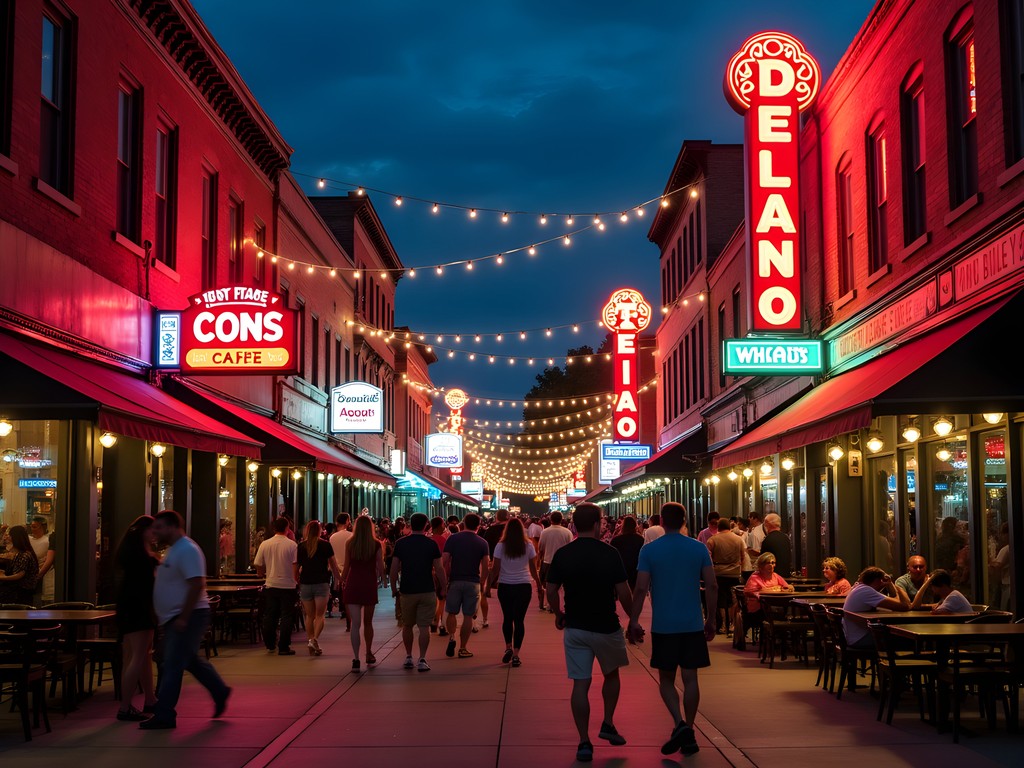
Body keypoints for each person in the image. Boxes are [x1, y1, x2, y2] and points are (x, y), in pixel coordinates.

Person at [546, 503, 633, 763]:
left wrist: (558, 613)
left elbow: (550, 590)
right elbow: (625, 591)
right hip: (606, 625)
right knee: (612, 675)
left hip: (576, 627)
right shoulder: (610, 552)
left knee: (580, 684)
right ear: (597, 524)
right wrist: (635, 619)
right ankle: (607, 722)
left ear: (574, 525)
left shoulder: (563, 554)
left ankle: (584, 741)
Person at [629, 502, 716, 757]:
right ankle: (688, 729)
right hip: (691, 623)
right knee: (691, 679)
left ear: (662, 522)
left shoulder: (650, 551)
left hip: (664, 625)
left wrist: (633, 619)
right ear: (684, 520)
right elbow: (711, 586)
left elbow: (641, 588)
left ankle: (678, 722)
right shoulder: (698, 548)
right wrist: (710, 619)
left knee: (666, 679)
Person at [141, 510, 230, 730]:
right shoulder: (174, 551)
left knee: (172, 664)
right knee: (188, 660)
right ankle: (219, 690)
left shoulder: (187, 550)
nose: (155, 532)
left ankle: (165, 714)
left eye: (159, 527)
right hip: (177, 616)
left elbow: (196, 583)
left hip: (187, 615)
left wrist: (184, 616)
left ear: (172, 527)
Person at [113, 516, 160, 721]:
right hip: (141, 607)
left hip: (127, 607)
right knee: (139, 657)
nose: (156, 534)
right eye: (153, 530)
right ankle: (125, 707)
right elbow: (152, 584)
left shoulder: (129, 554)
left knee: (136, 656)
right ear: (144, 532)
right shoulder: (144, 558)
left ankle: (150, 699)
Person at [391, 512, 447, 671]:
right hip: (427, 589)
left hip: (407, 590)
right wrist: (444, 586)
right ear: (426, 525)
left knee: (407, 625)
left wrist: (394, 588)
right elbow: (439, 568)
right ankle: (422, 658)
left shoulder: (401, 544)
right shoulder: (431, 544)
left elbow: (394, 569)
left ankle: (408, 656)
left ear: (410, 524)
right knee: (424, 627)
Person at [487, 517, 540, 667]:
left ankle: (507, 647)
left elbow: (495, 569)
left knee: (507, 618)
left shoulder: (500, 546)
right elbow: (533, 568)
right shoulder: (528, 545)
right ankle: (516, 654)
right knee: (519, 620)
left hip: (505, 586)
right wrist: (539, 584)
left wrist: (487, 586)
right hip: (523, 585)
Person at [441, 512, 489, 658]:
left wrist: (445, 578)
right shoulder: (482, 543)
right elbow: (486, 566)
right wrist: (483, 582)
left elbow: (444, 561)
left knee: (451, 612)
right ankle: (463, 648)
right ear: (479, 525)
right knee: (468, 616)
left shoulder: (453, 539)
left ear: (463, 523)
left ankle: (452, 637)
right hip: (473, 582)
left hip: (455, 580)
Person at [342, 515, 385, 672]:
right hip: (368, 584)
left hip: (353, 584)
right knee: (368, 623)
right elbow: (380, 564)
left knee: (355, 625)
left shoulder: (350, 544)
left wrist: (341, 580)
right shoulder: (376, 544)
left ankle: (355, 658)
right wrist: (385, 580)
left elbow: (347, 566)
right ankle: (368, 652)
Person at [294, 520, 340, 656]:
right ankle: (313, 640)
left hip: (306, 584)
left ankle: (311, 640)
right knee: (320, 616)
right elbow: (333, 565)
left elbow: (296, 568)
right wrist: (340, 578)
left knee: (309, 616)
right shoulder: (326, 545)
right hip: (321, 583)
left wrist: (297, 580)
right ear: (320, 531)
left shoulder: (301, 546)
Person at [254, 517, 298, 655]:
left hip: (271, 583)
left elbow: (258, 563)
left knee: (270, 615)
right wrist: (296, 580)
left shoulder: (265, 544)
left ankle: (270, 644)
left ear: (274, 529)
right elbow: (295, 566)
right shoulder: (292, 545)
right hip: (288, 585)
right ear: (287, 528)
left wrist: (261, 574)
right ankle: (284, 646)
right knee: (286, 616)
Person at [841, 567, 910, 649]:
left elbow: (895, 603)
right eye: (881, 581)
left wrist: (887, 585)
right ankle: (895, 661)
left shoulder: (859, 588)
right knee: (905, 639)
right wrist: (895, 585)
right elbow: (904, 606)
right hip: (860, 639)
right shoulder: (866, 591)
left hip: (852, 636)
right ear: (878, 580)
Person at [707, 518, 744, 634]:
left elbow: (708, 558)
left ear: (718, 527)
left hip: (719, 573)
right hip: (734, 573)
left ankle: (723, 624)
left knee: (721, 599)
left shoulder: (713, 540)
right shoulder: (739, 540)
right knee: (733, 599)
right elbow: (743, 556)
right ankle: (733, 623)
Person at [538, 510, 573, 611]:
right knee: (565, 586)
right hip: (564, 563)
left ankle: (551, 606)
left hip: (548, 561)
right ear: (562, 520)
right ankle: (567, 606)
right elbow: (570, 548)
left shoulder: (545, 532)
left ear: (550, 519)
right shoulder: (567, 532)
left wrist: (539, 562)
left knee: (550, 586)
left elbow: (540, 549)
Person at [742, 553, 793, 619]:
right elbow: (748, 592)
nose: (771, 565)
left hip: (775, 606)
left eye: (773, 563)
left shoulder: (775, 576)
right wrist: (776, 589)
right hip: (758, 608)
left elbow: (789, 587)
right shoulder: (755, 577)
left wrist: (780, 588)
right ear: (761, 565)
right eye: (768, 563)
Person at [0, 525, 40, 605]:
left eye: (10, 535)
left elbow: (19, 575)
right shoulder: (20, 553)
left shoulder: (25, 555)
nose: (8, 538)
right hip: (19, 592)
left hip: (22, 593)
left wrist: (3, 577)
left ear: (16, 537)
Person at [910, 569, 974, 614]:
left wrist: (927, 582)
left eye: (932, 586)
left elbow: (935, 614)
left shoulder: (953, 597)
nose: (931, 589)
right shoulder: (950, 596)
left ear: (941, 585)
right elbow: (915, 606)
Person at [329, 513, 353, 627]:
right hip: (350, 569)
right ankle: (349, 617)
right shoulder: (352, 536)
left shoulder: (332, 537)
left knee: (340, 592)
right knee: (348, 594)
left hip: (337, 569)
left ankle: (343, 611)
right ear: (347, 521)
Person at [610, 516, 644, 591]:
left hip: (621, 569)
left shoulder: (616, 540)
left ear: (623, 526)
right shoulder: (640, 539)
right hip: (636, 569)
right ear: (635, 526)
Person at [429, 516, 450, 634]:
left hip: (429, 573)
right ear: (438, 526)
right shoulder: (442, 541)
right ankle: (441, 623)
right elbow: (445, 559)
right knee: (442, 598)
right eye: (443, 524)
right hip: (441, 572)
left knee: (434, 598)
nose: (444, 526)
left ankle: (434, 620)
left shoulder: (429, 539)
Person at [28, 516, 56, 606]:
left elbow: (48, 559)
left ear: (43, 527)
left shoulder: (47, 540)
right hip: (30, 573)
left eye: (35, 527)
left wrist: (38, 575)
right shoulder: (29, 539)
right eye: (31, 526)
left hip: (42, 574)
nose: (32, 529)